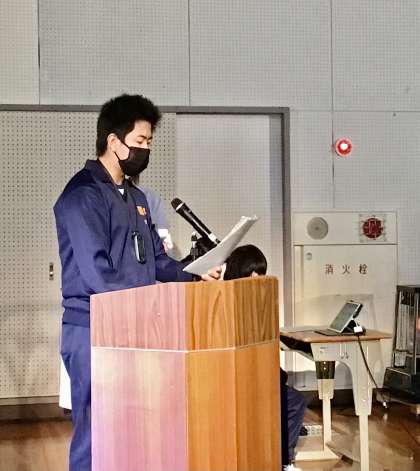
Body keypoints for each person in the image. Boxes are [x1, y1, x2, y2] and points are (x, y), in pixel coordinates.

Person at [54, 93, 220, 471]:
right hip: (92, 330)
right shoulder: (81, 195)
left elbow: (157, 261)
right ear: (114, 141)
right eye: (141, 141)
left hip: (136, 327)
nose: (146, 149)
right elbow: (98, 274)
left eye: (150, 142)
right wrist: (150, 303)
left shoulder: (137, 198)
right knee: (96, 431)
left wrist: (194, 272)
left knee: (133, 431)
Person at [223, 245, 306, 470]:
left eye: (261, 272)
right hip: (242, 382)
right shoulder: (232, 302)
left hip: (255, 378)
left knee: (293, 399)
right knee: (292, 401)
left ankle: (282, 459)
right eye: (254, 272)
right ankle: (281, 460)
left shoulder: (251, 301)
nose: (258, 278)